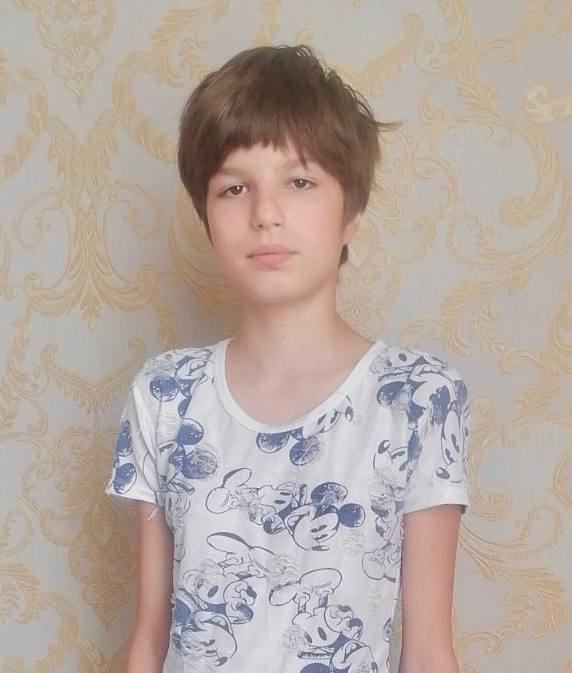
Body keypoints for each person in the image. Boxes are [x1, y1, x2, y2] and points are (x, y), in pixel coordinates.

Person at [105, 44, 471, 673]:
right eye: (234, 188)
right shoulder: (165, 395)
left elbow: (430, 652)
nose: (265, 215)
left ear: (351, 210)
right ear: (206, 216)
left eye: (299, 182)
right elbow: (149, 641)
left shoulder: (419, 398)